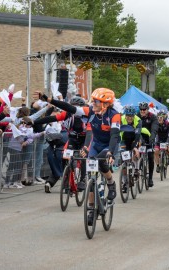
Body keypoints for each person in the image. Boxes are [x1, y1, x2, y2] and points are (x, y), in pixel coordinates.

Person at [39, 88, 121, 226]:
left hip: (109, 146)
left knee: (101, 163)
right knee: (91, 175)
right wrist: (50, 100)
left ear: (105, 104)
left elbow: (114, 136)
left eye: (96, 101)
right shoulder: (90, 111)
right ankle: (91, 208)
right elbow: (70, 108)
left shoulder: (114, 116)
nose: (92, 103)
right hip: (96, 144)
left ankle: (111, 183)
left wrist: (111, 153)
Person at [137, 102, 158, 188]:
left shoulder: (152, 117)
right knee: (136, 154)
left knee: (150, 156)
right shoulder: (137, 116)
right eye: (141, 110)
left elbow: (154, 129)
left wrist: (152, 139)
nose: (142, 111)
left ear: (147, 109)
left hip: (150, 138)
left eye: (144, 110)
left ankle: (150, 178)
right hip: (140, 139)